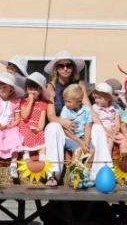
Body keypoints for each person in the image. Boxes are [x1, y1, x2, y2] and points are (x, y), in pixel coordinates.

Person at [43, 50, 112, 183]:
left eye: (69, 65)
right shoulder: (50, 87)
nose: (65, 68)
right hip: (62, 128)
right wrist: (63, 122)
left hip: (81, 126)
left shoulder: (80, 84)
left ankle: (102, 172)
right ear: (56, 69)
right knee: (53, 127)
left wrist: (104, 129)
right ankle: (52, 174)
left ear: (73, 68)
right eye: (61, 65)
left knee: (98, 128)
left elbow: (89, 109)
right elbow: (51, 115)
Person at [0, 72, 24, 164]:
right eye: (0, 87)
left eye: (5, 87)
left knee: (13, 136)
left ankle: (13, 162)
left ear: (11, 88)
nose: (1, 89)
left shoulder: (15, 102)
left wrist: (11, 125)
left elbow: (17, 119)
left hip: (10, 125)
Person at [59, 84, 94, 179]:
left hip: (83, 137)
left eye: (69, 101)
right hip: (70, 137)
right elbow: (65, 130)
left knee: (92, 150)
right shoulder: (65, 110)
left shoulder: (87, 110)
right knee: (78, 150)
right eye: (65, 101)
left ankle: (86, 175)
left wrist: (86, 143)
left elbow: (88, 127)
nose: (66, 103)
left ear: (79, 101)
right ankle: (73, 175)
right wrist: (80, 142)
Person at [92, 81, 127, 158]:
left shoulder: (114, 107)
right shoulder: (95, 108)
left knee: (123, 141)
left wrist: (116, 129)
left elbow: (117, 121)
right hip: (102, 130)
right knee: (109, 142)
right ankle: (107, 162)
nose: (97, 100)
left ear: (108, 98)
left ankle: (124, 161)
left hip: (113, 130)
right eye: (95, 97)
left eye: (99, 98)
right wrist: (107, 131)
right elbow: (95, 123)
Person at [18, 72, 50, 160]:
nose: (33, 92)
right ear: (27, 89)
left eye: (35, 89)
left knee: (42, 135)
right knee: (25, 134)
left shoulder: (43, 104)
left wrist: (39, 128)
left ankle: (42, 156)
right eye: (30, 89)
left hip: (35, 126)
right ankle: (26, 155)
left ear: (40, 90)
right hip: (24, 125)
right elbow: (24, 116)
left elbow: (42, 119)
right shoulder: (24, 101)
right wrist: (31, 102)